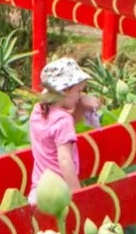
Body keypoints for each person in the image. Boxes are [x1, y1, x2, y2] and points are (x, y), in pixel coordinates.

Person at [27, 57, 101, 200]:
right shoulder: (63, 120)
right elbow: (64, 158)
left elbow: (60, 129)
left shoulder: (38, 111)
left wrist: (80, 106)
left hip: (39, 191)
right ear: (66, 90)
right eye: (79, 92)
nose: (80, 96)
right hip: (58, 193)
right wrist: (76, 192)